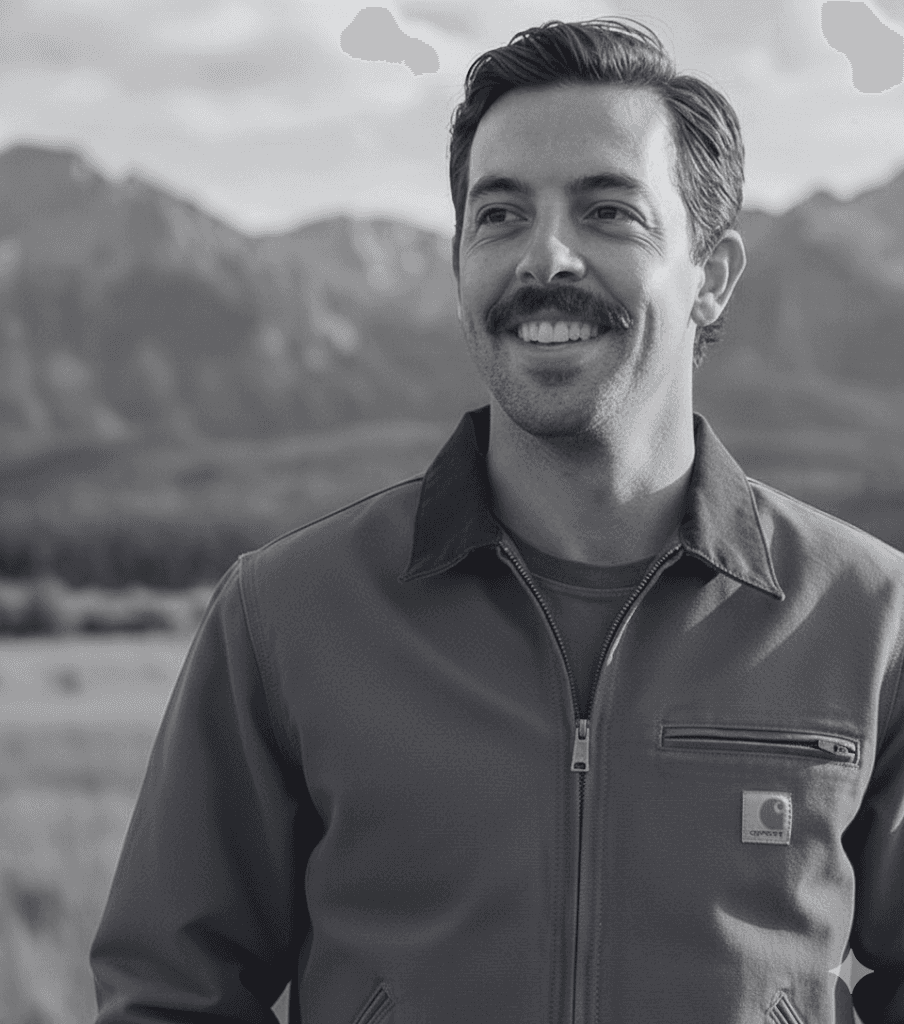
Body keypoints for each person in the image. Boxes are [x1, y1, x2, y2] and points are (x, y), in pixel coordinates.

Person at [90, 17, 904, 1024]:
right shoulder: (283, 616)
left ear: (713, 276)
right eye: (501, 215)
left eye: (608, 211)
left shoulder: (871, 622)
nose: (544, 257)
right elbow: (169, 993)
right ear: (459, 265)